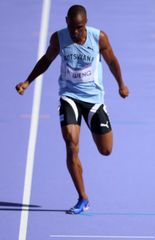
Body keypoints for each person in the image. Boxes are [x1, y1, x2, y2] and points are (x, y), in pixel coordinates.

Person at [15, 5, 129, 214]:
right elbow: (46, 60)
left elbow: (112, 60)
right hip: (69, 96)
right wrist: (27, 81)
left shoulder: (99, 37)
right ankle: (82, 198)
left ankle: (83, 185)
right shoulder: (59, 38)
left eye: (80, 28)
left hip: (94, 99)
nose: (76, 33)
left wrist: (121, 84)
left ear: (85, 24)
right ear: (66, 20)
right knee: (71, 143)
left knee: (106, 150)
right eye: (73, 28)